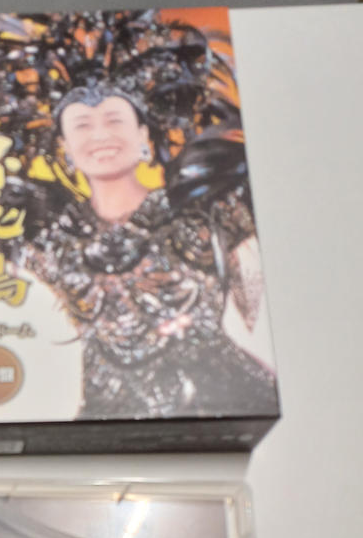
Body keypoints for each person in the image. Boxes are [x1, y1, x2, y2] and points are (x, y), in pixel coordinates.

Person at [21, 81, 278, 419]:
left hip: (227, 403)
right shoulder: (51, 236)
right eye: (82, 125)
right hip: (109, 416)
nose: (100, 135)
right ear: (64, 147)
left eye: (114, 120)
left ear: (143, 135)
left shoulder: (204, 209)